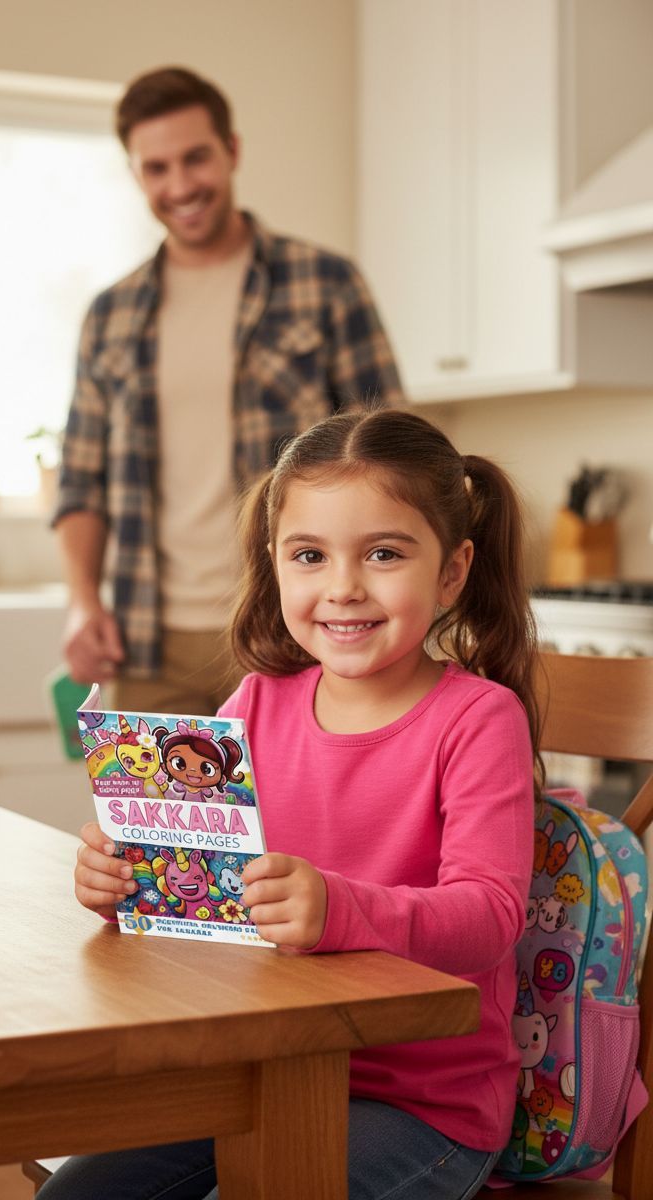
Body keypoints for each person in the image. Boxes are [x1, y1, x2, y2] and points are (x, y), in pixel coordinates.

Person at [44, 408, 542, 1200]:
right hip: (257, 1068)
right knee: (73, 1196)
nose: (343, 586)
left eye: (384, 553)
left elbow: (487, 917)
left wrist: (338, 907)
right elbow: (201, 887)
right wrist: (125, 881)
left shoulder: (478, 720)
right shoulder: (252, 706)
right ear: (276, 564)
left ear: (451, 572)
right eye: (310, 555)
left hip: (422, 1106)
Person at [54, 66, 400, 713]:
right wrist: (82, 601)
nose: (180, 185)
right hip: (149, 642)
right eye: (156, 168)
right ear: (137, 176)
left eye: (196, 158)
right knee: (147, 819)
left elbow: (391, 457)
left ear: (232, 151)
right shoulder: (111, 315)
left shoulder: (324, 284)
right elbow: (81, 482)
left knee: (301, 818)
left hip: (295, 630)